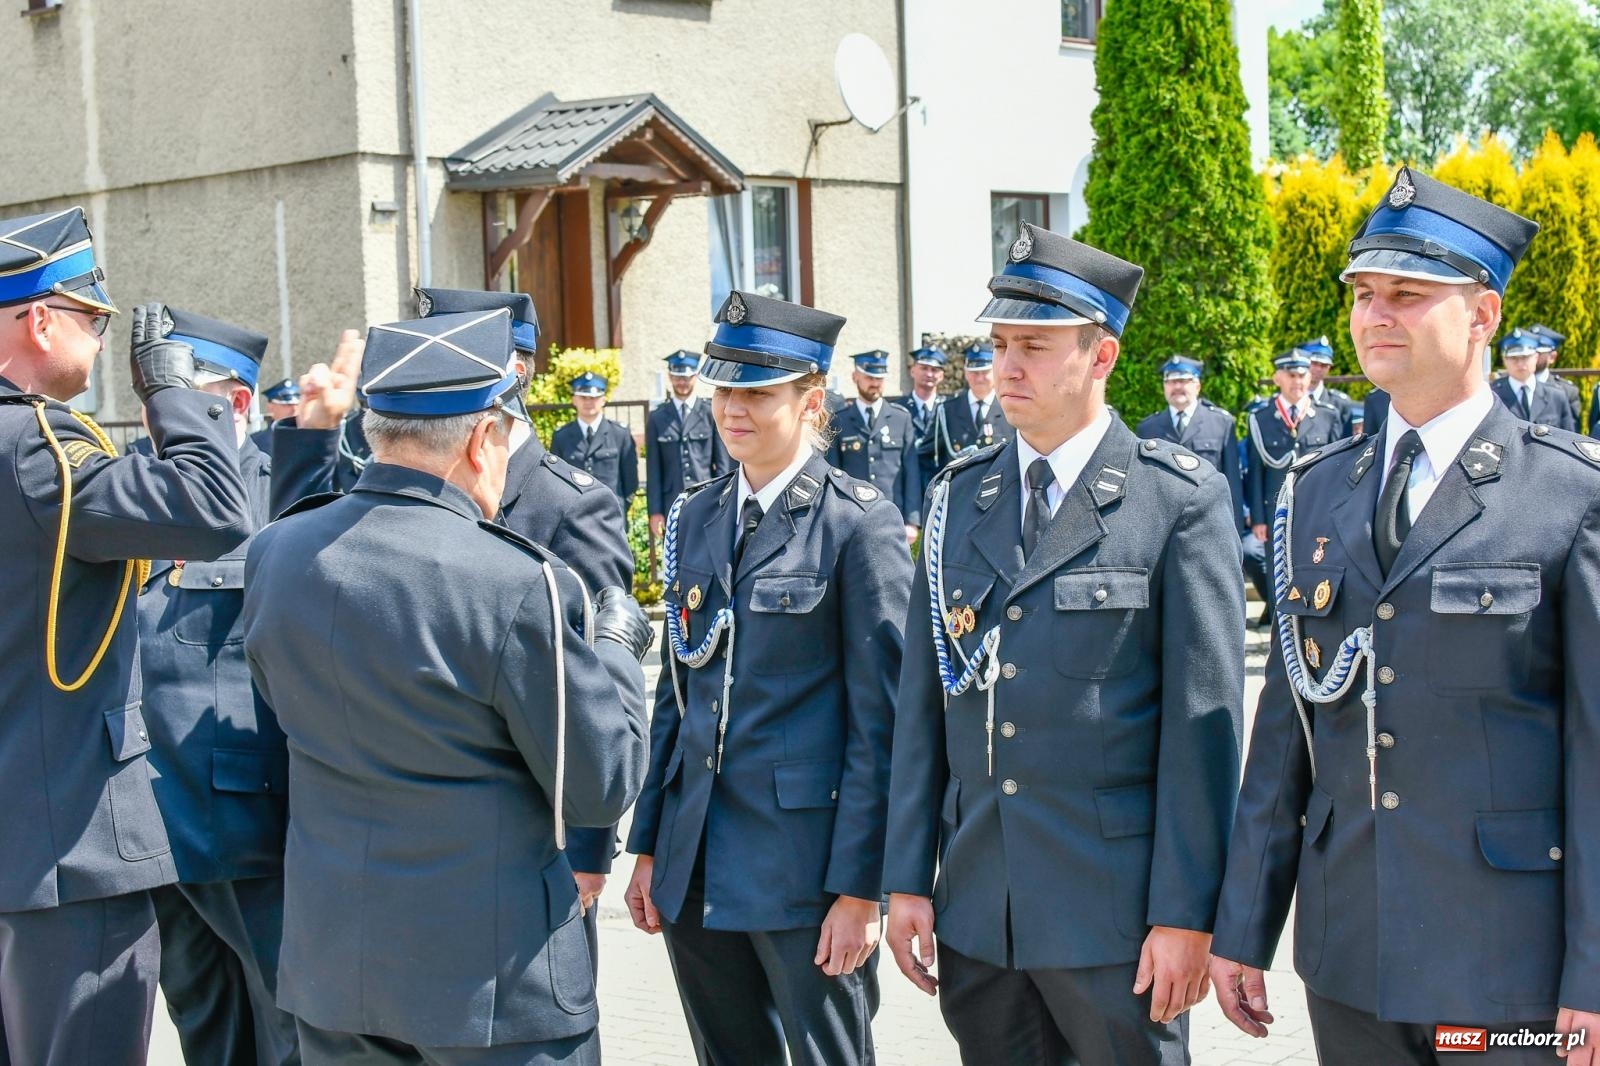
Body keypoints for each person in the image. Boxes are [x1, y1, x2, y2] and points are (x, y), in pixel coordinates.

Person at [1210, 166, 1600, 1066]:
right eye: (1363, 293)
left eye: (1408, 294)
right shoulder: (1319, 491)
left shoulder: (1566, 494)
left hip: (1508, 961)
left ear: (1484, 314)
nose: (1375, 314)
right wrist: (1243, 924)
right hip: (1353, 949)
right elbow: (1287, 736)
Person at [242, 307, 654, 1066]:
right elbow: (600, 783)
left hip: (337, 970)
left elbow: (279, 713)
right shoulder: (512, 579)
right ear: (480, 438)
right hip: (490, 987)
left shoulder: (278, 551)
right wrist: (618, 648)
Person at [884, 221, 1244, 1066]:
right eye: (1001, 343)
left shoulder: (1175, 501)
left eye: (1037, 347)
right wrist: (905, 878)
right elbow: (921, 709)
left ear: (1102, 356)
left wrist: (1187, 915)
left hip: (1114, 919)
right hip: (981, 909)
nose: (1008, 367)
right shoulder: (957, 499)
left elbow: (1205, 729)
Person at [623, 289, 912, 1066]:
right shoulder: (696, 515)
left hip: (804, 871)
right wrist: (650, 844)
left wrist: (862, 890)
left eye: (756, 391)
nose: (732, 408)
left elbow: (881, 724)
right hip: (699, 858)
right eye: (724, 389)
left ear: (811, 400)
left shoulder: (858, 524)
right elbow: (674, 696)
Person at [0, 206, 252, 1066]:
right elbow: (216, 511)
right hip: (65, 851)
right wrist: (173, 394)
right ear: (39, 318)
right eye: (95, 320)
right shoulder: (36, 452)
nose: (105, 340)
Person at [136, 308, 301, 1066]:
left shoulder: (280, 490)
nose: (157, 412)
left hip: (248, 818)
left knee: (283, 1023)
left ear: (234, 402)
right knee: (201, 1019)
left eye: (178, 393)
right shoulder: (142, 485)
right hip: (152, 815)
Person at [1134, 356, 1263, 606]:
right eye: (1171, 381)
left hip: (1209, 522)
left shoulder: (1221, 423)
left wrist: (1233, 531)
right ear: (1164, 387)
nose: (1178, 387)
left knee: (1209, 592)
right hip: (1163, 526)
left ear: (1198, 386)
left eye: (1185, 381)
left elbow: (1232, 485)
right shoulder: (1148, 427)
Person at [826, 348, 922, 539]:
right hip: (851, 518)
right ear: (855, 377)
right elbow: (832, 473)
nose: (875, 384)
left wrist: (912, 520)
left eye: (880, 379)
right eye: (869, 378)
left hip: (893, 516)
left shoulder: (900, 418)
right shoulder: (839, 421)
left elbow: (911, 472)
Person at [646, 349, 730, 542]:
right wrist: (655, 510)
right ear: (670, 377)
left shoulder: (710, 413)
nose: (681, 382)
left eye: (686, 377)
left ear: (696, 376)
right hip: (671, 503)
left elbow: (722, 463)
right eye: (677, 377)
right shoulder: (658, 417)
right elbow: (653, 469)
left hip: (706, 498)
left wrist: (724, 500)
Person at [552, 372, 640, 506]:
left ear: (603, 400)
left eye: (594, 397)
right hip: (574, 514)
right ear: (574, 400)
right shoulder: (561, 437)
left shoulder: (620, 434)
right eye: (583, 397)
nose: (588, 402)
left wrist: (621, 506)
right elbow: (556, 480)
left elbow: (630, 480)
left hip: (611, 514)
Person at [923, 342, 1012, 471]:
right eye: (974, 373)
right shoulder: (947, 410)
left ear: (995, 371)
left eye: (985, 372)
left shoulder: (1009, 406)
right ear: (965, 373)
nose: (980, 378)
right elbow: (928, 455)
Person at [1491, 327, 1576, 430]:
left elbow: (1568, 437)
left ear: (1536, 357)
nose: (1520, 364)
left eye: (1525, 357)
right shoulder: (1493, 394)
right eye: (1514, 358)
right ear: (1504, 360)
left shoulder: (1556, 395)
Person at [895, 345, 946, 493]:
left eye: (935, 370)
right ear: (912, 370)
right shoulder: (897, 409)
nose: (929, 373)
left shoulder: (948, 409)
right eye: (924, 368)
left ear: (942, 375)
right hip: (907, 486)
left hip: (940, 486)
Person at [1304, 337, 1362, 438]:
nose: (1318, 369)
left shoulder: (1340, 404)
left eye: (1323, 365)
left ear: (1329, 368)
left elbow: (1345, 444)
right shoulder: (1291, 401)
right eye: (1313, 363)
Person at [1529, 324, 1582, 431]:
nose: (1532, 357)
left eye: (1538, 353)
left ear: (1552, 357)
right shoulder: (1510, 387)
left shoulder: (1567, 391)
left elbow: (1573, 435)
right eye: (1529, 352)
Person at [249, 377, 300, 453]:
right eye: (287, 405)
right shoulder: (254, 442)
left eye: (298, 405)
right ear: (271, 407)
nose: (294, 410)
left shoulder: (309, 438)